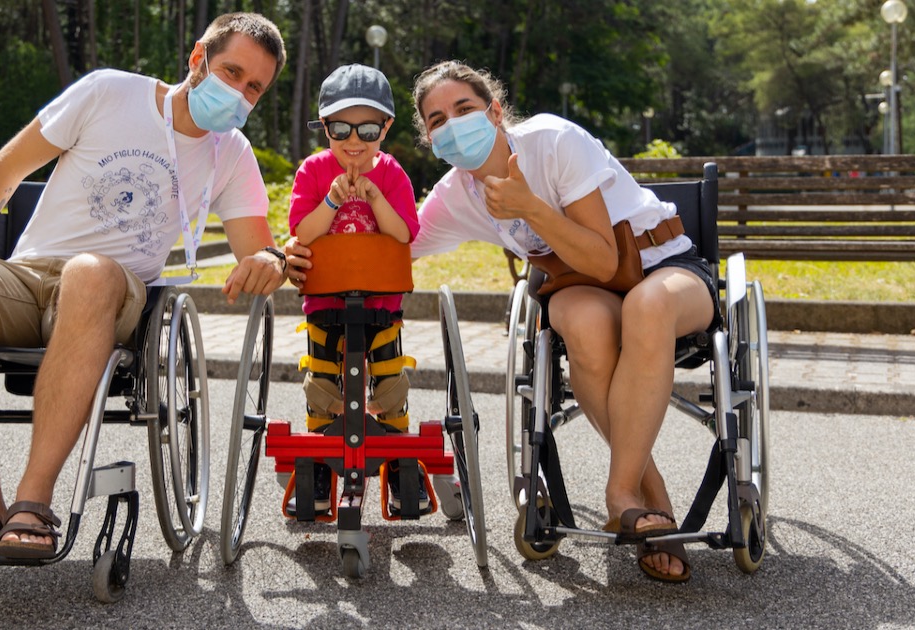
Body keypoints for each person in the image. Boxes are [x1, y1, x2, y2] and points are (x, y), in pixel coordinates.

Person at [285, 61, 716, 582]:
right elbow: (393, 250)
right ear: (428, 137)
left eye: (464, 108)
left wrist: (530, 207)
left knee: (646, 306)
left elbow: (605, 259)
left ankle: (622, 493)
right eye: (437, 119)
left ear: (494, 110)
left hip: (664, 268)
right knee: (576, 322)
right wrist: (294, 255)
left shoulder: (552, 141)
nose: (453, 123)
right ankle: (654, 501)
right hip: (585, 291)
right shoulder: (456, 194)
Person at [0, 13, 287, 560]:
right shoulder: (109, 92)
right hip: (29, 276)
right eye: (231, 72)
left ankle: (33, 501)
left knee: (90, 271)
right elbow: (4, 173)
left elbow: (256, 249)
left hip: (113, 292)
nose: (238, 93)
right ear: (197, 58)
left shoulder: (231, 154)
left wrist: (270, 261)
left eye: (254, 87)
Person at [286, 64, 425, 516]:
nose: (354, 140)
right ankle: (321, 465)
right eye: (341, 127)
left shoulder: (392, 174)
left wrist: (374, 198)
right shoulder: (312, 171)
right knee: (323, 381)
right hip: (325, 299)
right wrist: (331, 199)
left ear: (385, 127)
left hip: (382, 300)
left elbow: (403, 236)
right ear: (324, 126)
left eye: (367, 128)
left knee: (389, 382)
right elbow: (302, 235)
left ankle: (402, 464)